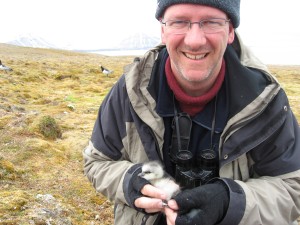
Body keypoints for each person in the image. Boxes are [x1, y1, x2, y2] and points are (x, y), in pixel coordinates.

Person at [83, 0, 300, 224]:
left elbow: (293, 186)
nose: (195, 40)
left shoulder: (265, 99)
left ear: (230, 31)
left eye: (211, 22)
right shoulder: (129, 91)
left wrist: (230, 203)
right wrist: (129, 182)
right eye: (179, 22)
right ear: (163, 30)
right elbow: (97, 163)